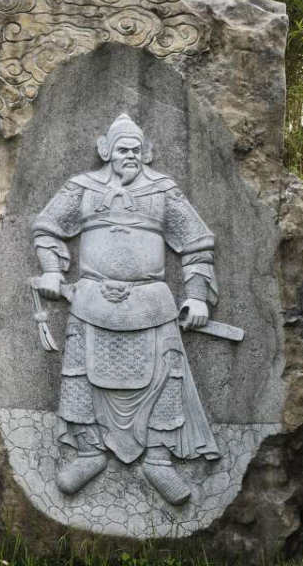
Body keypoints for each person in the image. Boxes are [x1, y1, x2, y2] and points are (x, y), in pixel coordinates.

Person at [31, 113, 220, 505]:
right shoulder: (81, 188)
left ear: (146, 152)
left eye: (136, 149)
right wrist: (51, 270)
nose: (130, 155)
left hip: (152, 304)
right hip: (92, 301)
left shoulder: (164, 190)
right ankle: (88, 453)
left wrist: (197, 295)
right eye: (122, 149)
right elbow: (47, 228)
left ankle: (159, 461)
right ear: (106, 151)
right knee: (80, 376)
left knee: (165, 379)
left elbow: (197, 243)